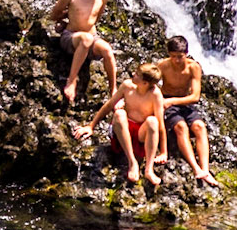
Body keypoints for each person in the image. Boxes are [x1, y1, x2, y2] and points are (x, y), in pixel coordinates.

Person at [74, 60, 166, 189]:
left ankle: (148, 169)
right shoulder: (127, 86)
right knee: (119, 114)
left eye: (137, 74)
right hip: (123, 132)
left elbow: (160, 124)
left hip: (140, 134)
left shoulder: (155, 94)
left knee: (153, 121)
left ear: (145, 83)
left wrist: (163, 152)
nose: (133, 74)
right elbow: (109, 105)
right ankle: (132, 162)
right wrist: (91, 126)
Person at [46, 0, 116, 106]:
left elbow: (97, 16)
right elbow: (54, 14)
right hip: (71, 37)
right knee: (86, 39)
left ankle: (113, 90)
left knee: (107, 49)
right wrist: (64, 22)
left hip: (91, 36)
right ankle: (71, 81)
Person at [158, 33, 219, 187]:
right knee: (181, 127)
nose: (177, 60)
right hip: (167, 101)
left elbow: (195, 97)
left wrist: (171, 101)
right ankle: (195, 168)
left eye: (180, 56)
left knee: (200, 127)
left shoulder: (194, 67)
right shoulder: (163, 66)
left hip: (184, 102)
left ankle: (205, 169)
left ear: (186, 54)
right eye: (173, 56)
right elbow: (149, 83)